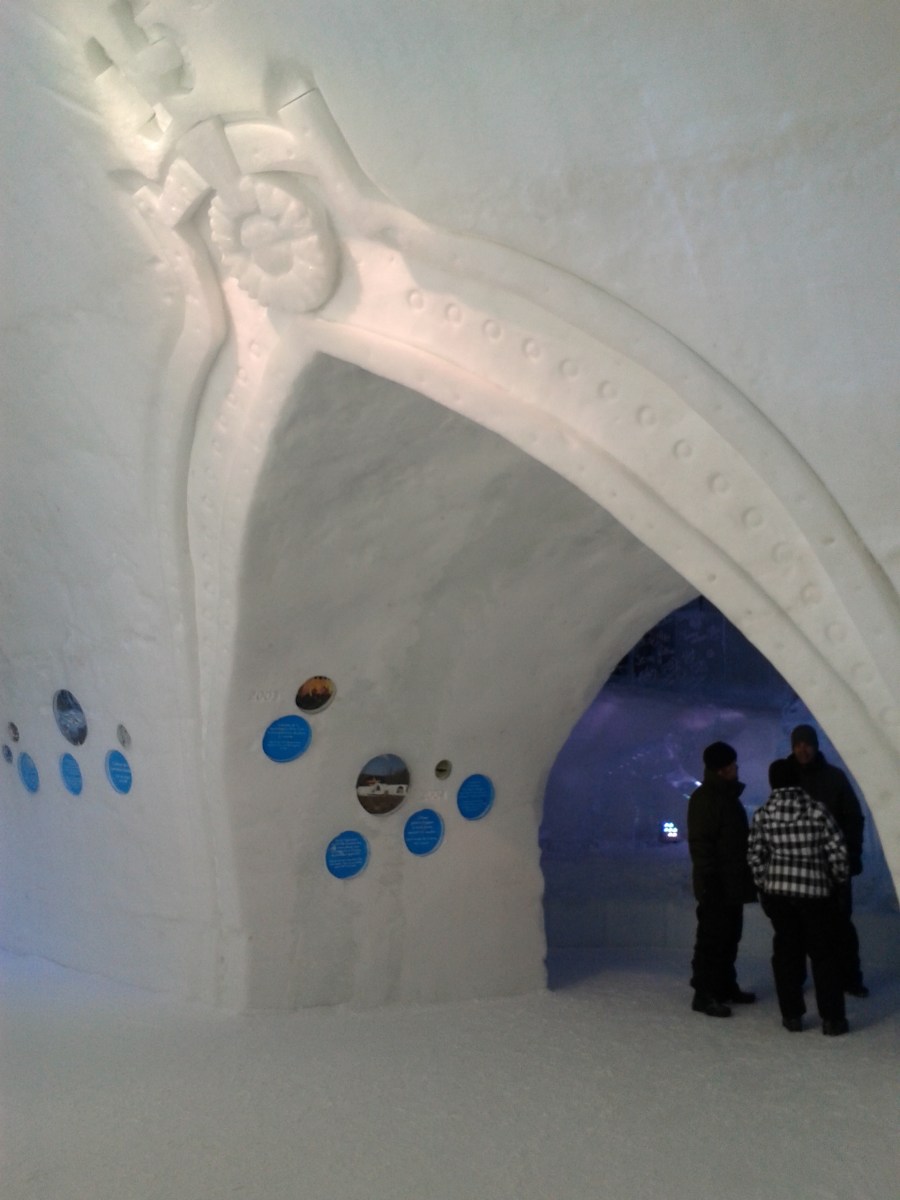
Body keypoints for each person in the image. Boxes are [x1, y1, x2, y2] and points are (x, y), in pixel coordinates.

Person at [748, 758, 850, 1035]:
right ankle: (832, 1020)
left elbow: (755, 856)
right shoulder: (818, 812)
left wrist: (764, 883)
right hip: (816, 894)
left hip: (779, 895)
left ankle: (792, 1016)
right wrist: (837, 881)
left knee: (786, 955)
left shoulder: (762, 814)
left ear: (772, 783)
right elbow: (838, 853)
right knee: (824, 956)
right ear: (798, 780)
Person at [775, 723, 868, 997]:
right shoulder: (785, 777)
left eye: (807, 743)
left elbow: (853, 817)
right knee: (799, 929)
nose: (802, 749)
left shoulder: (834, 778)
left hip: (833, 865)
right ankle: (801, 979)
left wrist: (851, 854)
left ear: (815, 746)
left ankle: (850, 977)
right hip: (798, 868)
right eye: (798, 744)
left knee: (841, 925)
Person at [687, 742, 757, 1017]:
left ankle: (725, 985)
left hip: (730, 881)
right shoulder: (707, 799)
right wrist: (710, 878)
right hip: (716, 883)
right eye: (730, 766)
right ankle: (704, 994)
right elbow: (701, 843)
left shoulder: (726, 797)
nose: (734, 769)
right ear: (720, 770)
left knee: (729, 936)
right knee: (712, 939)